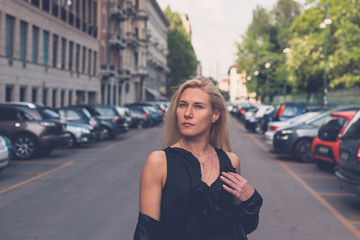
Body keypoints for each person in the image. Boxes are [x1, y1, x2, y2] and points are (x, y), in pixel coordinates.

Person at [134, 78, 263, 240]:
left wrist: (251, 200)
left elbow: (241, 228)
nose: (187, 113)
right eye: (182, 105)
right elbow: (146, 233)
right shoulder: (159, 162)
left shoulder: (231, 161)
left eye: (198, 106)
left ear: (215, 115)